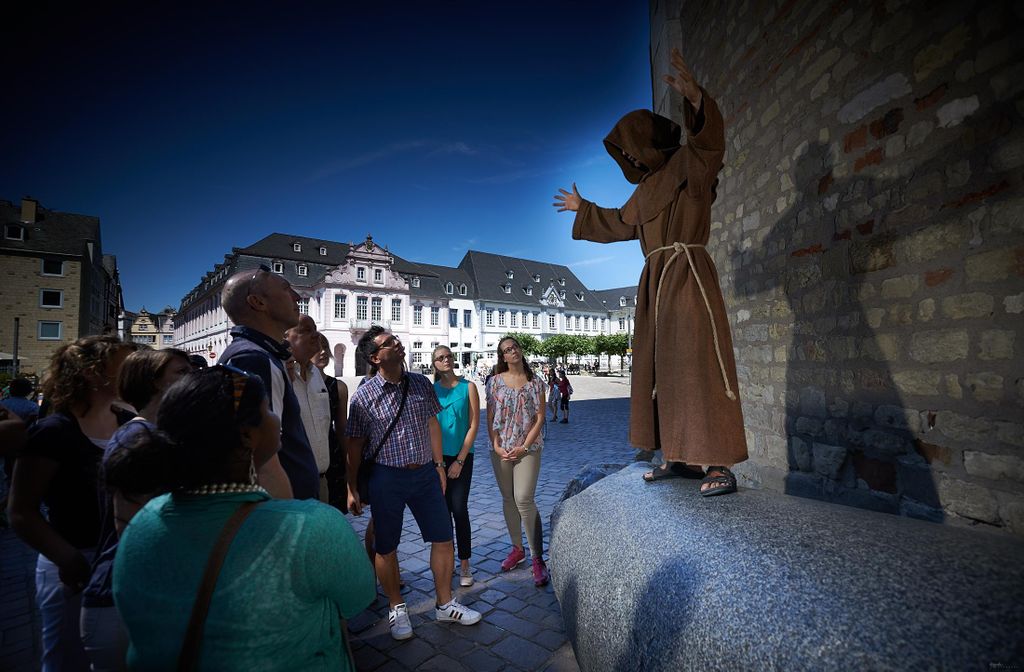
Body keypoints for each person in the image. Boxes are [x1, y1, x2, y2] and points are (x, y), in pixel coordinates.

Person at [553, 47, 747, 495]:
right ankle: (676, 456)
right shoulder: (644, 191)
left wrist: (698, 102)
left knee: (698, 365)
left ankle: (718, 463)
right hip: (655, 281)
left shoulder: (688, 164)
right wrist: (585, 209)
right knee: (659, 369)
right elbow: (622, 223)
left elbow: (710, 146)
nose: (633, 163)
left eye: (634, 152)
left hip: (687, 275)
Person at [112, 365, 375, 671]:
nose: (277, 419)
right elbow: (359, 597)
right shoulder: (312, 527)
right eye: (267, 410)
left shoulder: (144, 524)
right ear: (248, 435)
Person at [8, 335, 135, 672]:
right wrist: (69, 558)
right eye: (125, 363)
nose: (135, 370)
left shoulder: (128, 425)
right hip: (72, 564)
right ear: (95, 373)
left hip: (121, 559)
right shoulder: (54, 431)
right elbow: (21, 510)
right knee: (67, 659)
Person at [346, 327, 481, 640]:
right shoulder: (365, 395)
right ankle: (396, 607)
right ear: (375, 357)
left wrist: (437, 465)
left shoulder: (420, 383)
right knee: (386, 544)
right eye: (388, 343)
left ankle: (445, 603)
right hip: (386, 475)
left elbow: (432, 422)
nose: (397, 343)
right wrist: (351, 486)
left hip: (423, 474)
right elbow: (354, 444)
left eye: (395, 338)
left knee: (443, 536)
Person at [78, 347, 191, 671]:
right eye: (181, 373)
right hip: (125, 602)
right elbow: (133, 533)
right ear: (153, 382)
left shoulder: (152, 433)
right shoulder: (139, 439)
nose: (192, 378)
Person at [219, 264, 318, 499]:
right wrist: (285, 518)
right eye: (286, 289)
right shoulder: (253, 359)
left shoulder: (261, 355)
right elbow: (262, 456)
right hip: (286, 512)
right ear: (258, 302)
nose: (296, 296)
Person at [486, 336, 549, 587]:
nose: (513, 352)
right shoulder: (493, 383)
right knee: (508, 499)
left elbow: (540, 418)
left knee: (524, 499)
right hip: (501, 450)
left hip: (528, 448)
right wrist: (497, 446)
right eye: (507, 350)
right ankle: (517, 548)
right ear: (502, 357)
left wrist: (523, 446)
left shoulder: (536, 383)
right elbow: (490, 417)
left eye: (515, 347)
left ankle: (537, 558)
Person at [431, 345, 480, 588]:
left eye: (449, 356)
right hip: (438, 458)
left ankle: (465, 563)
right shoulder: (431, 391)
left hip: (462, 457)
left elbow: (473, 425)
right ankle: (446, 561)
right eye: (440, 358)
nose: (446, 359)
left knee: (459, 509)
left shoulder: (468, 387)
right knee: (443, 512)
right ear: (435, 365)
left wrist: (460, 460)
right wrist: (439, 463)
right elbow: (429, 428)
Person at [285, 315, 332, 502]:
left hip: (321, 482)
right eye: (305, 330)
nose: (315, 335)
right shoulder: (280, 374)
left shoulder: (316, 375)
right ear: (285, 337)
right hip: (290, 486)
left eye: (314, 329)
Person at [313, 333, 349, 512]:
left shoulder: (339, 387)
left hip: (332, 452)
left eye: (325, 348)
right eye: (317, 348)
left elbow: (342, 429)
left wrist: (348, 465)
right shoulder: (293, 382)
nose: (322, 352)